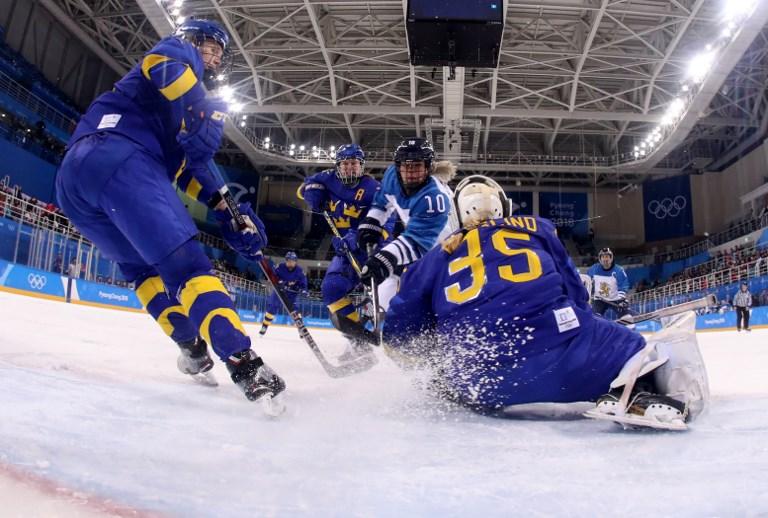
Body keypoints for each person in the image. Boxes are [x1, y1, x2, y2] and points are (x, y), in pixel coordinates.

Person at [54, 20, 285, 406]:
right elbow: (162, 64)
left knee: (142, 271)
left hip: (74, 181)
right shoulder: (180, 55)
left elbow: (189, 172)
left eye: (216, 52)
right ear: (192, 42)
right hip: (123, 159)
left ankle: (193, 351)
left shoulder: (179, 114)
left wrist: (228, 212)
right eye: (207, 46)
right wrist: (202, 104)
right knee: (190, 271)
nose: (211, 56)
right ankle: (247, 366)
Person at [382, 175, 709, 428]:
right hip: (565, 362)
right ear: (502, 207)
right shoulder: (537, 228)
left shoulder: (434, 259)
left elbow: (398, 333)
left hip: (479, 385)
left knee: (445, 377)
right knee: (637, 346)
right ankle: (637, 390)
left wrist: (435, 371)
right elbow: (576, 296)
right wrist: (592, 328)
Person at [297, 143, 382, 359]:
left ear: (361, 166)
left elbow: (384, 222)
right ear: (338, 165)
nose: (349, 168)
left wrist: (356, 238)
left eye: (354, 163)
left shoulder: (373, 188)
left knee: (385, 298)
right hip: (343, 249)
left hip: (370, 249)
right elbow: (305, 186)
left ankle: (398, 343)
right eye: (345, 164)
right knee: (331, 289)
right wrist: (311, 195)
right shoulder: (328, 177)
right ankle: (359, 344)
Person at [357, 138, 459, 310]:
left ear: (428, 167)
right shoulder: (392, 176)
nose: (410, 171)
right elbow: (382, 202)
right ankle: (378, 312)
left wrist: (384, 259)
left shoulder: (435, 197)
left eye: (417, 166)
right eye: (406, 165)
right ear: (398, 166)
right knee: (391, 276)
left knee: (427, 293)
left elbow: (418, 243)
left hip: (445, 248)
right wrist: (372, 223)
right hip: (416, 236)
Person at [259, 251, 308, 336]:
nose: (290, 263)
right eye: (289, 261)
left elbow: (303, 284)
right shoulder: (279, 267)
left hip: (292, 294)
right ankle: (264, 326)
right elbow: (272, 276)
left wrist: (303, 290)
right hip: (279, 291)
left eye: (292, 261)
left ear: (295, 261)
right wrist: (278, 282)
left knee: (295, 311)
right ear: (286, 260)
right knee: (272, 308)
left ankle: (301, 329)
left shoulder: (300, 271)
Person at [587, 247, 631, 320]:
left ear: (611, 258)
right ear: (600, 259)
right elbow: (588, 280)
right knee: (595, 319)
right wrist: (590, 294)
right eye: (603, 257)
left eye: (607, 256)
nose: (605, 259)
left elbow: (623, 285)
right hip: (599, 300)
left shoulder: (619, 270)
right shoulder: (593, 269)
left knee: (626, 318)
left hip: (616, 299)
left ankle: (629, 328)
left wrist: (621, 299)